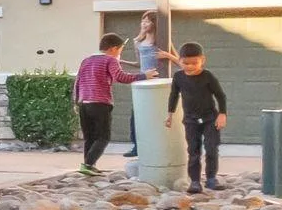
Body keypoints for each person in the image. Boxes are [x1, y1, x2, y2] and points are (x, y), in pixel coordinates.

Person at [74, 33, 144, 174]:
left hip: (83, 103)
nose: (120, 54)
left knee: (90, 138)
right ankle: (88, 165)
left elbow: (78, 82)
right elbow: (120, 77)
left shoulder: (86, 60)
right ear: (113, 48)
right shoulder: (110, 60)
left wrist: (76, 102)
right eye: (120, 50)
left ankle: (89, 166)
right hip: (100, 103)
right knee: (103, 137)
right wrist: (143, 76)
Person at [164, 42, 229, 192]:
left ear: (202, 60)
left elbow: (220, 96)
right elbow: (174, 95)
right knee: (193, 151)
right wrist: (170, 115)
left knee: (211, 148)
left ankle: (211, 178)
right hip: (190, 120)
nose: (190, 67)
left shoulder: (207, 76)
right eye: (186, 63)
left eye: (194, 63)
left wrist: (222, 114)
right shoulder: (178, 77)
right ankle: (195, 181)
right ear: (179, 61)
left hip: (210, 119)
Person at [124, 14, 167, 156]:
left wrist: (167, 56)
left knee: (156, 115)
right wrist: (121, 62)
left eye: (148, 21)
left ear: (154, 23)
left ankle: (158, 146)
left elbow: (178, 59)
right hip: (142, 83)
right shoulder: (138, 42)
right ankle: (136, 147)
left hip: (157, 82)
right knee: (135, 115)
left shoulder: (162, 41)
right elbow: (139, 63)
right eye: (143, 21)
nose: (144, 23)